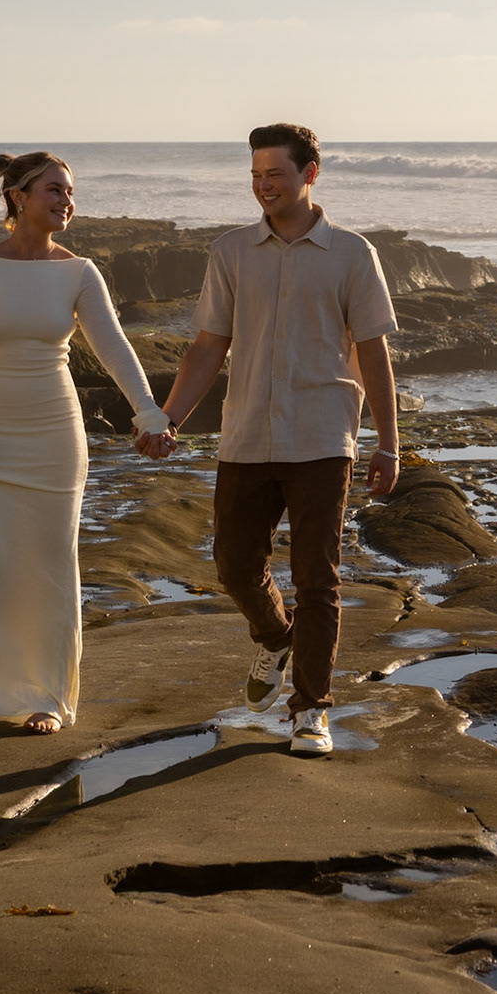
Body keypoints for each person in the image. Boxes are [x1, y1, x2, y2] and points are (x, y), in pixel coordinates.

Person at [150, 123, 399, 754]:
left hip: (322, 437)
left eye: (276, 175)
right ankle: (275, 637)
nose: (264, 187)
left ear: (310, 174)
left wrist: (387, 443)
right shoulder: (231, 252)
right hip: (246, 435)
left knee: (318, 577)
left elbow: (374, 354)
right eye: (256, 176)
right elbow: (209, 346)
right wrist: (169, 418)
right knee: (234, 564)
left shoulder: (352, 253)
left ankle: (311, 709)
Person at [0, 151, 174, 734]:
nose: (66, 201)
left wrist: (148, 411)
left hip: (55, 435)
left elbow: (114, 347)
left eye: (70, 192)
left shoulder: (79, 271)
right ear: (18, 196)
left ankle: (46, 695)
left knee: (49, 567)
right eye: (54, 190)